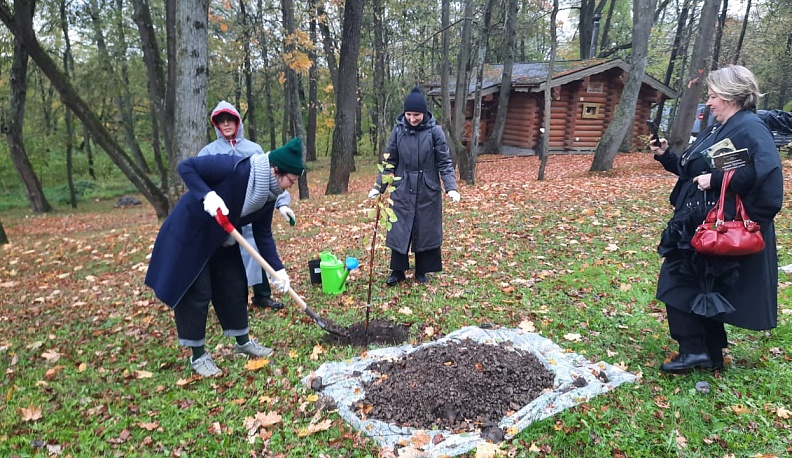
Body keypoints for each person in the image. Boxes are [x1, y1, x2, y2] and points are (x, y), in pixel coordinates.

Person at [649, 65, 783, 374]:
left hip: (717, 223)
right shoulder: (722, 126)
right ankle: (709, 351)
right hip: (700, 221)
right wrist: (666, 156)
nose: (708, 103)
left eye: (713, 96)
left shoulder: (749, 126)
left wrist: (722, 184)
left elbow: (767, 177)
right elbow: (696, 170)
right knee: (701, 285)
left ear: (732, 96)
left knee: (677, 283)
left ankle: (694, 350)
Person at [145, 137, 305, 377]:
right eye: (289, 180)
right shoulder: (234, 167)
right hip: (192, 234)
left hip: (223, 238)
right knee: (198, 292)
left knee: (233, 285)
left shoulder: (269, 193)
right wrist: (207, 195)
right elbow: (186, 166)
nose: (290, 186)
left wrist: (278, 270)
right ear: (275, 170)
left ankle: (243, 342)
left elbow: (263, 234)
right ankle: (198, 355)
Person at [198, 101, 296, 310]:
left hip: (252, 212)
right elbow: (200, 184)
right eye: (221, 121)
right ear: (216, 125)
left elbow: (271, 180)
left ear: (237, 122)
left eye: (230, 120)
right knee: (226, 258)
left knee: (257, 248)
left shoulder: (253, 149)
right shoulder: (208, 152)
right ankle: (231, 301)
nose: (226, 124)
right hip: (223, 215)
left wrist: (282, 204)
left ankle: (262, 295)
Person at [368, 86, 460, 286]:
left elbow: (444, 162)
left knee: (425, 228)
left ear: (424, 113)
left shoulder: (435, 132)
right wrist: (379, 187)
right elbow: (389, 160)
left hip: (428, 188)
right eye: (409, 114)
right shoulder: (398, 130)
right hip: (401, 187)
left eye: (416, 115)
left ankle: (422, 270)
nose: (412, 118)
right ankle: (398, 271)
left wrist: (451, 187)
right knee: (399, 228)